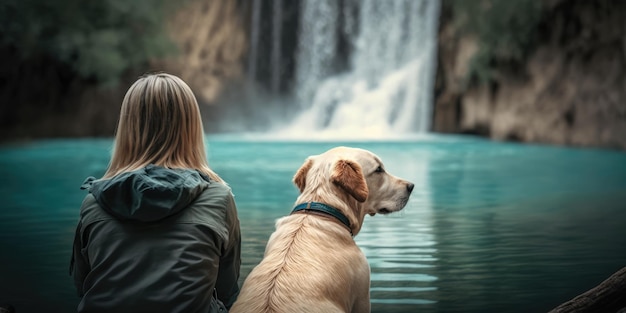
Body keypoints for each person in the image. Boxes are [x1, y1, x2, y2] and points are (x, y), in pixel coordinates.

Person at [69, 73, 241, 312]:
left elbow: (83, 286)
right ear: (191, 128)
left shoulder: (94, 202)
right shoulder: (219, 199)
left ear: (127, 128)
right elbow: (227, 288)